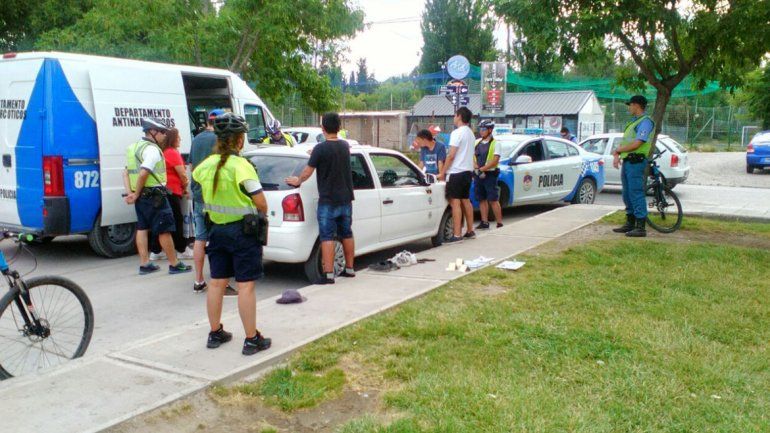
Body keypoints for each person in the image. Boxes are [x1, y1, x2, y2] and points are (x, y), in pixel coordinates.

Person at [192, 113, 272, 356]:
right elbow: (261, 202)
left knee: (217, 282)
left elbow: (196, 183)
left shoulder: (206, 165)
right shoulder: (241, 166)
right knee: (245, 286)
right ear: (239, 140)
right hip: (243, 232)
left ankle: (215, 332)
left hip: (216, 230)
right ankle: (251, 339)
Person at [286, 112, 355, 284]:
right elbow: (332, 153)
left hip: (328, 201)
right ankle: (350, 269)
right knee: (347, 233)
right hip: (346, 199)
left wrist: (298, 180)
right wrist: (316, 152)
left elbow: (308, 171)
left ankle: (329, 274)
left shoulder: (320, 149)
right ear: (339, 127)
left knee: (327, 236)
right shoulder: (344, 146)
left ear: (322, 128)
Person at [123, 118, 192, 275]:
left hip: (141, 197)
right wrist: (136, 193)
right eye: (162, 132)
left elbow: (125, 173)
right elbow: (143, 173)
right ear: (152, 132)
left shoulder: (134, 148)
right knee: (164, 230)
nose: (164, 135)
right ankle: (174, 264)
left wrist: (132, 193)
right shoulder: (152, 150)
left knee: (142, 228)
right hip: (155, 196)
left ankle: (145, 264)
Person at [190, 109, 236, 294]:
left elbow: (191, 167)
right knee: (220, 238)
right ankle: (222, 282)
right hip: (215, 195)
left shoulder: (196, 139)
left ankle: (199, 280)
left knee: (200, 238)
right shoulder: (219, 140)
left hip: (198, 194)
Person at [612, 95, 656, 238]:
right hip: (628, 161)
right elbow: (626, 142)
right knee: (627, 193)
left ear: (636, 105)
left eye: (630, 105)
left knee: (635, 192)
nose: (629, 108)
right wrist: (617, 153)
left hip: (636, 162)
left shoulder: (645, 122)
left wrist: (619, 150)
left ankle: (640, 227)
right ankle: (630, 222)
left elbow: (638, 143)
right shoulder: (633, 122)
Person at [149, 127, 193, 260]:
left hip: (163, 190)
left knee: (162, 221)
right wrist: (185, 187)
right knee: (177, 220)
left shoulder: (163, 151)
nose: (180, 139)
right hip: (172, 191)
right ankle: (182, 249)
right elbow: (182, 174)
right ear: (173, 139)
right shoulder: (172, 153)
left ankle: (156, 251)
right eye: (178, 137)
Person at [437, 107, 476, 242]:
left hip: (456, 172)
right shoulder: (471, 133)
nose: (454, 118)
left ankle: (457, 234)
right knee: (466, 200)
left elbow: (451, 155)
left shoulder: (457, 133)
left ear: (459, 116)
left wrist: (442, 172)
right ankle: (470, 230)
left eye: (455, 115)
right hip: (467, 171)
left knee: (455, 202)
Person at [473, 119, 503, 229]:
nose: (481, 131)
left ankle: (499, 223)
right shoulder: (476, 142)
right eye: (480, 129)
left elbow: (495, 160)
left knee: (493, 199)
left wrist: (483, 169)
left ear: (490, 130)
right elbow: (472, 156)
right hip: (478, 173)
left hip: (490, 174)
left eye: (484, 129)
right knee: (481, 198)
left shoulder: (496, 143)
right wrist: (476, 167)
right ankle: (484, 222)